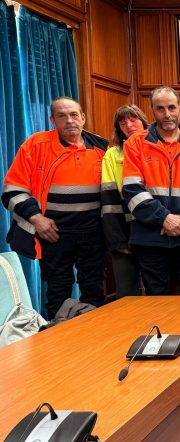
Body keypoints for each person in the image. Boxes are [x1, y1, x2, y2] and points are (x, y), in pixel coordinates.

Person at [2, 97, 108, 318]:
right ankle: (59, 336)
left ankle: (95, 335)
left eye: (74, 115)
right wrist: (37, 219)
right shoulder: (35, 145)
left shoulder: (102, 147)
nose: (69, 120)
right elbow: (11, 191)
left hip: (93, 232)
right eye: (62, 116)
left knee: (94, 291)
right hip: (53, 232)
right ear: (52, 120)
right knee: (58, 293)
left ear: (83, 118)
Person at [122, 86, 180, 295]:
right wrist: (164, 218)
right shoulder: (135, 143)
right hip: (150, 236)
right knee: (157, 301)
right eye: (160, 108)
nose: (167, 114)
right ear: (152, 111)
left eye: (172, 107)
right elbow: (132, 189)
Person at [101, 105, 148, 299]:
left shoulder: (157, 149)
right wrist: (117, 240)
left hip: (154, 233)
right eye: (123, 123)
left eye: (133, 120)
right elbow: (109, 201)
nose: (129, 125)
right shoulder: (112, 155)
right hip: (124, 233)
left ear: (143, 121)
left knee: (158, 294)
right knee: (126, 294)